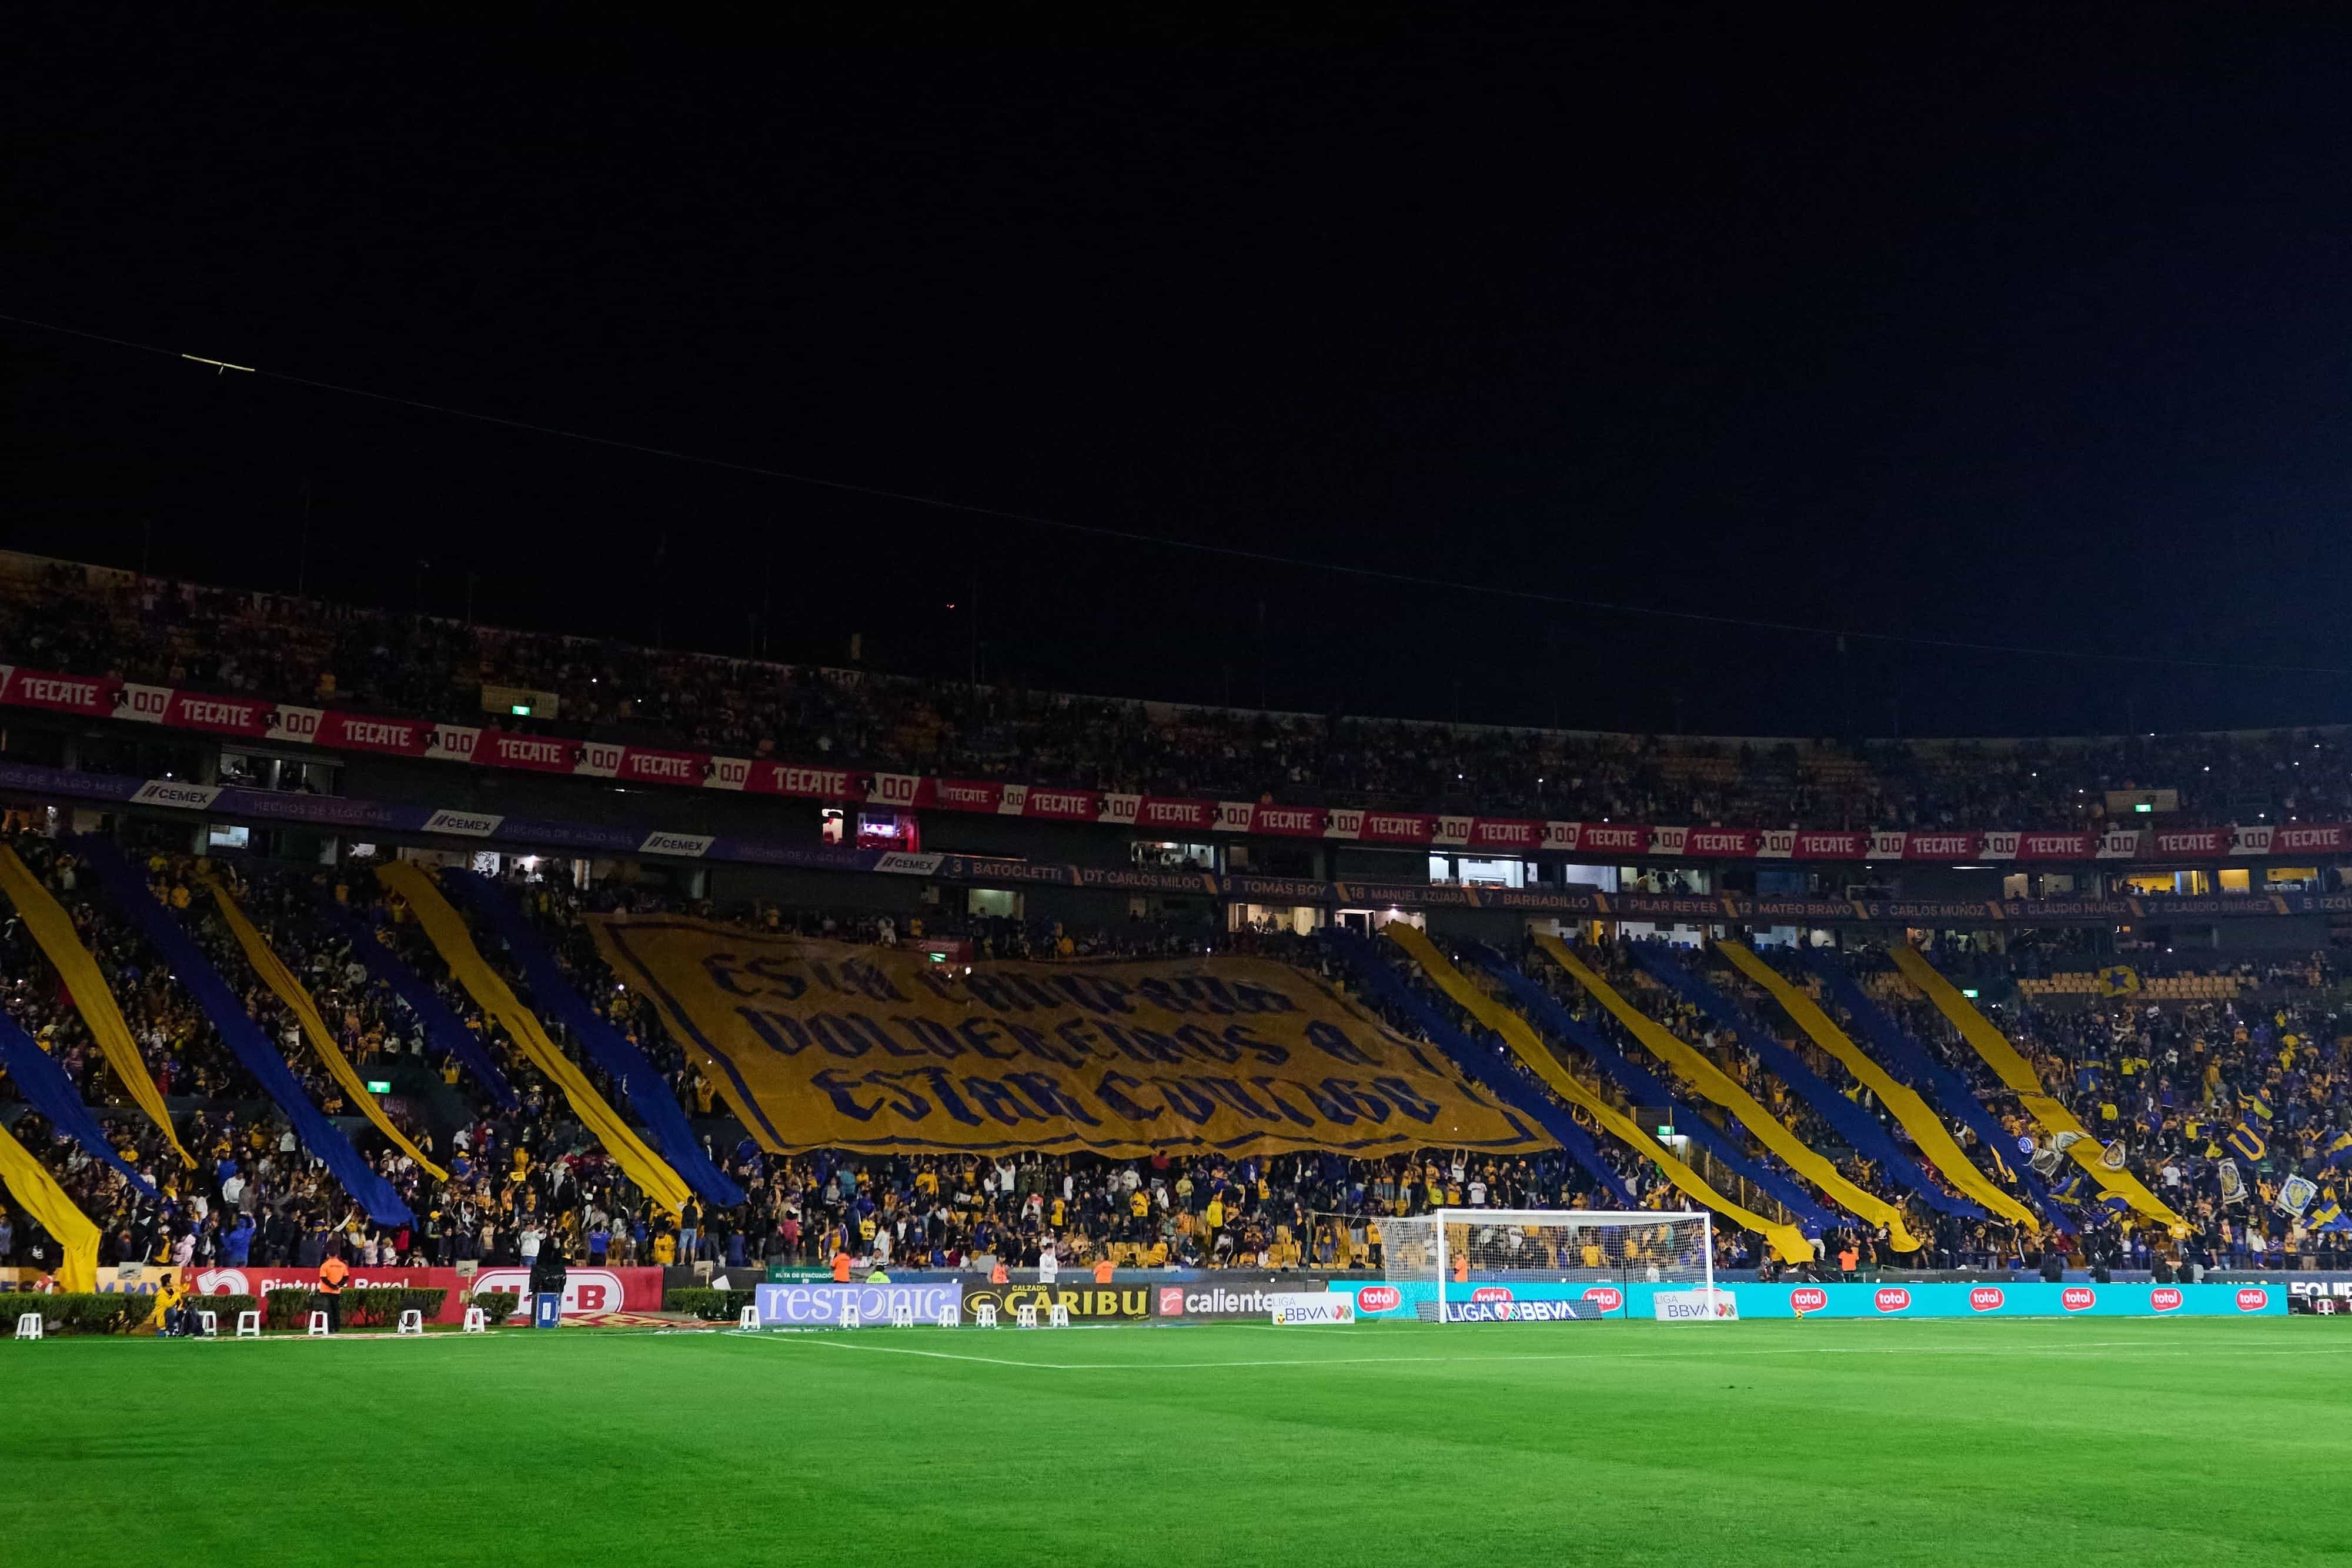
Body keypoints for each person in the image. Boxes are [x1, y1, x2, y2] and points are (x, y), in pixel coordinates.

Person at [316, 1249, 350, 1333]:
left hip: (326, 1291)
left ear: (328, 1255)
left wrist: (332, 1286)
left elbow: (324, 1278)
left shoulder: (325, 1265)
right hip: (337, 1291)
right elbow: (346, 1277)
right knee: (336, 1310)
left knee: (328, 1311)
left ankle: (329, 1328)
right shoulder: (342, 1265)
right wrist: (338, 1285)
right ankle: (337, 1328)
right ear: (337, 1255)